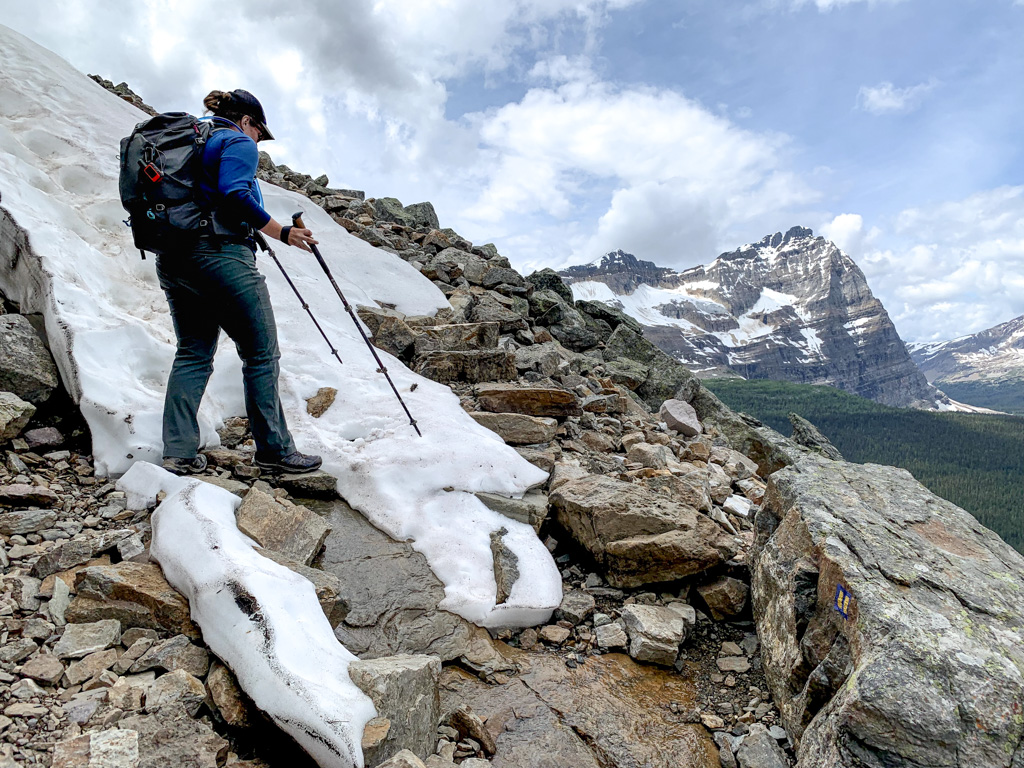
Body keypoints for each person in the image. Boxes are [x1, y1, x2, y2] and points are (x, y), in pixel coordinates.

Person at [157, 89, 322, 476]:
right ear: (247, 122)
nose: (258, 142)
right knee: (261, 354)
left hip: (174, 258)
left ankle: (178, 451)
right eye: (260, 133)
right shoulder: (235, 141)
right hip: (220, 257)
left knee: (193, 353)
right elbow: (234, 194)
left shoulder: (194, 141)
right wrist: (282, 232)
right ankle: (274, 451)